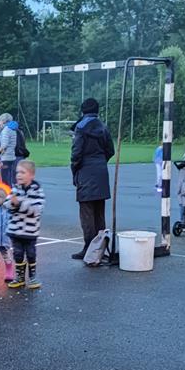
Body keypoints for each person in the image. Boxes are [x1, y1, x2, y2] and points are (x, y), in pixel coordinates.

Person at [70, 98, 115, 260]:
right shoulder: (103, 127)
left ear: (83, 111)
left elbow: (76, 153)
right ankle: (100, 247)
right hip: (101, 171)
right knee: (99, 213)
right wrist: (100, 162)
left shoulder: (80, 128)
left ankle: (89, 247)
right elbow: (110, 150)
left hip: (86, 172)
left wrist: (75, 169)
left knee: (87, 213)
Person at [6, 160, 45, 290]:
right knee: (17, 253)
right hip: (15, 230)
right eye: (17, 172)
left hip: (30, 231)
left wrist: (20, 204)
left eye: (23, 172)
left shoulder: (37, 191)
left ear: (31, 175)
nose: (19, 175)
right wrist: (11, 203)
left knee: (31, 253)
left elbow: (36, 210)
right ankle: (20, 278)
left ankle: (32, 277)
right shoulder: (15, 189)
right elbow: (8, 204)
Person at [0, 113, 20, 186]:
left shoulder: (6, 130)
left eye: (0, 120)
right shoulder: (13, 129)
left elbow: (4, 145)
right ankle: (10, 193)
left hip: (5, 158)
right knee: (9, 178)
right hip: (11, 157)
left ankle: (7, 195)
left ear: (3, 121)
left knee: (5, 179)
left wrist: (0, 152)